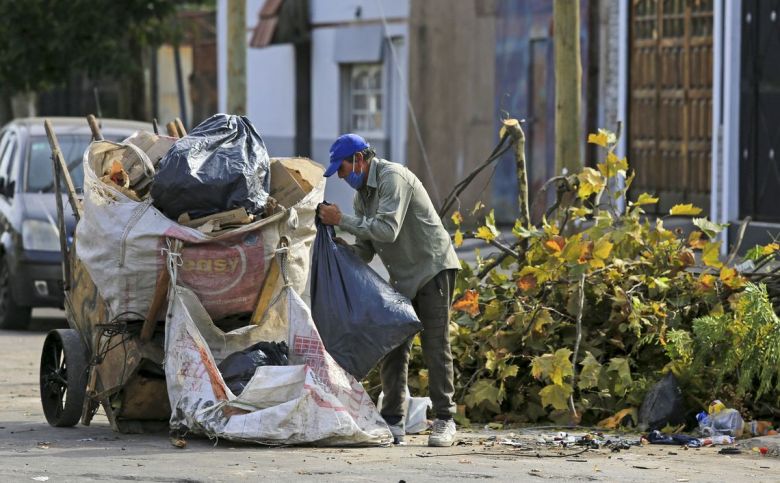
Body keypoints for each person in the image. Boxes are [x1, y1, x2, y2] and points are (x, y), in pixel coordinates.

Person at [317, 133, 461, 447]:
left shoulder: (391, 178)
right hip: (403, 278)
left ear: (358, 159)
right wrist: (338, 248)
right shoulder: (361, 198)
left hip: (433, 269)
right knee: (393, 345)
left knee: (436, 346)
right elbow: (366, 250)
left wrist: (341, 219)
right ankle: (393, 421)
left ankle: (445, 420)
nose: (342, 178)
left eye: (341, 170)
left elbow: (388, 230)